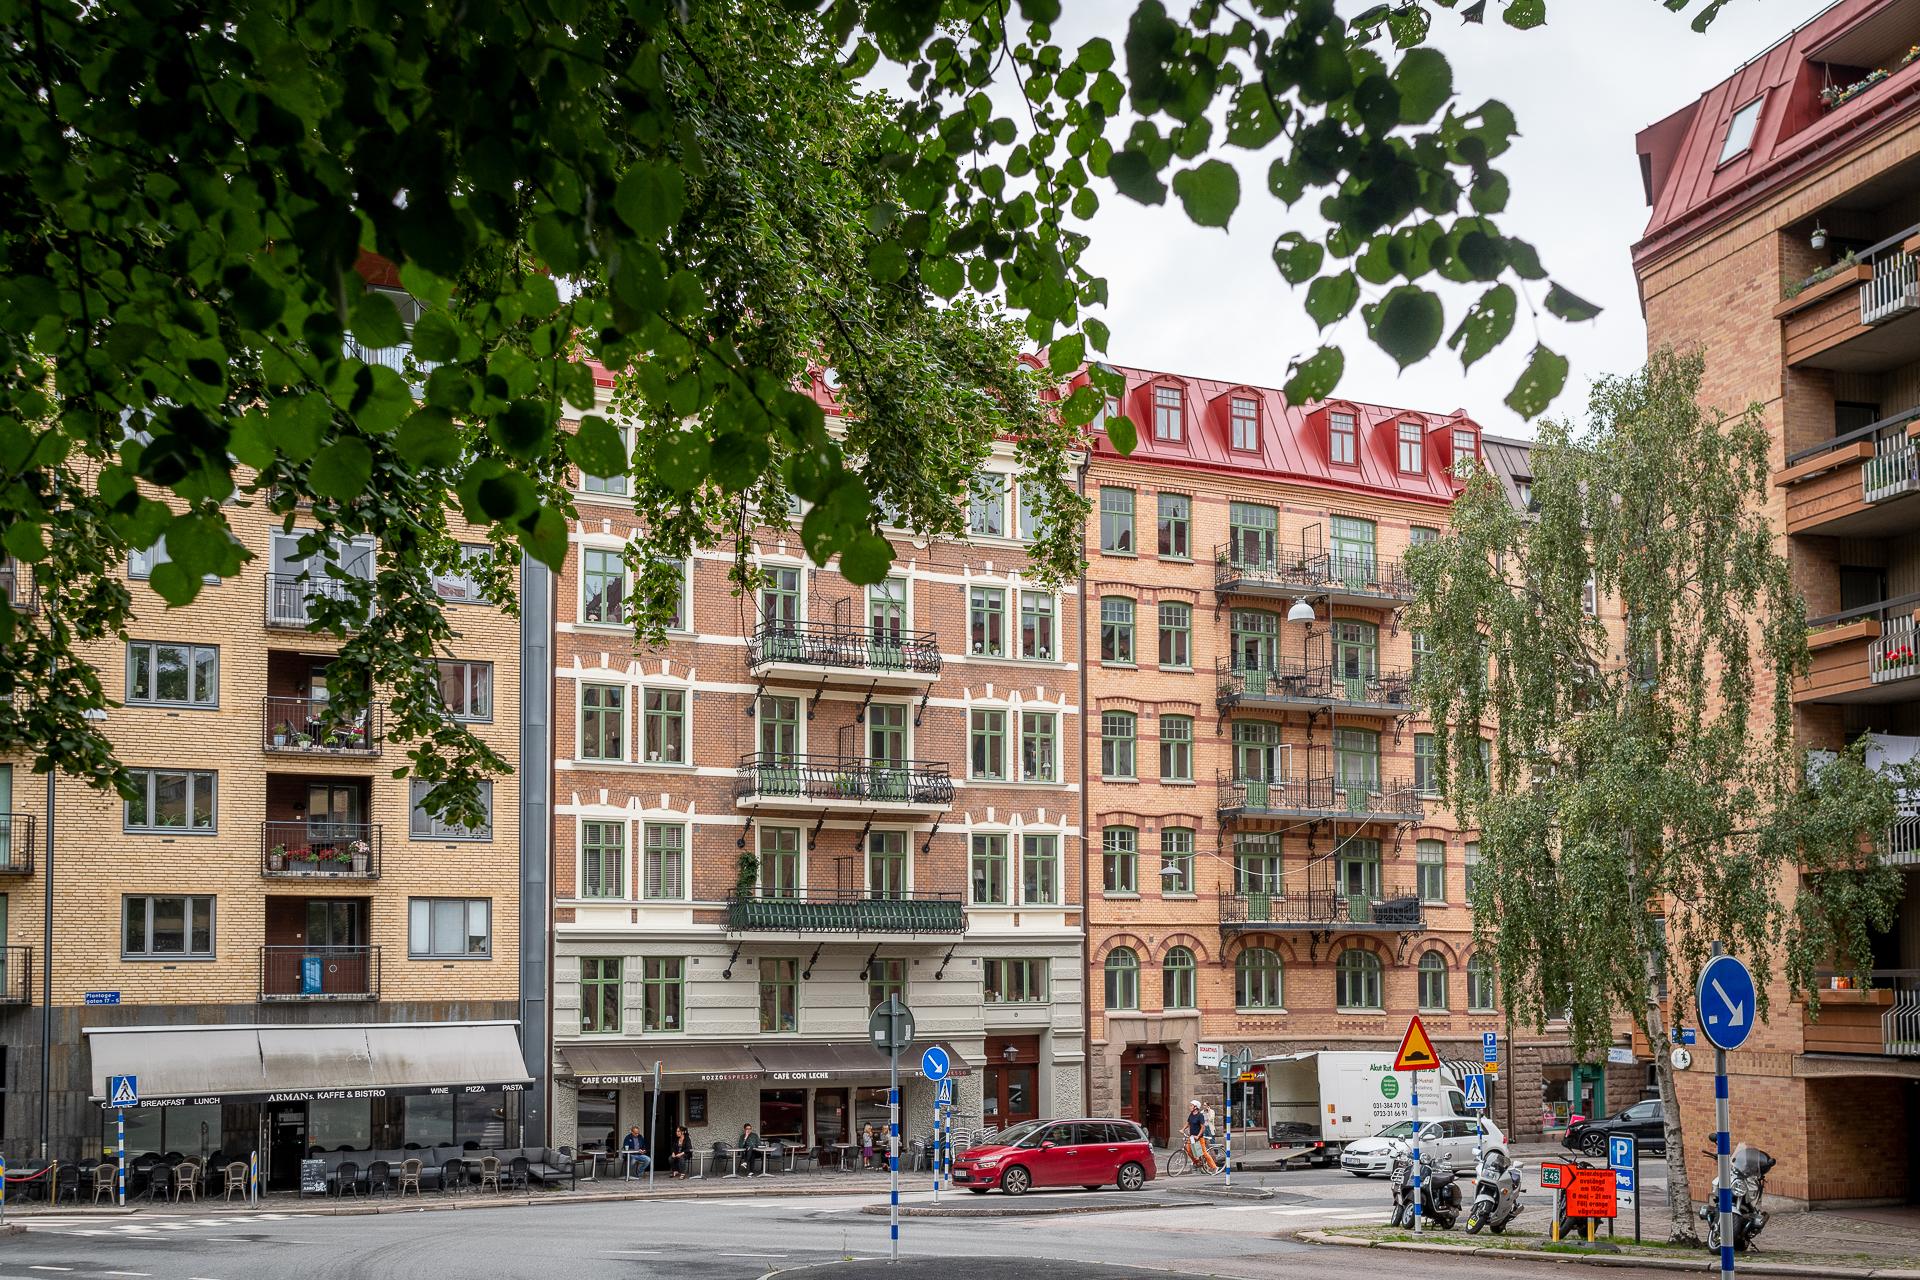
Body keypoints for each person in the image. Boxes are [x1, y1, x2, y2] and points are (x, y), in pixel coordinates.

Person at [1185, 1100, 1219, 1173]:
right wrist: (1183, 1129)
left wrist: (1198, 1136)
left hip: (1200, 1137)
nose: (1190, 1107)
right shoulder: (1191, 1114)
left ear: (1195, 1107)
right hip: (1192, 1137)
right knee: (1189, 1150)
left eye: (1191, 1105)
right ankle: (1197, 1162)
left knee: (1204, 1153)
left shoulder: (1201, 1115)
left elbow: (1203, 1127)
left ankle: (1214, 1167)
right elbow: (1188, 1123)